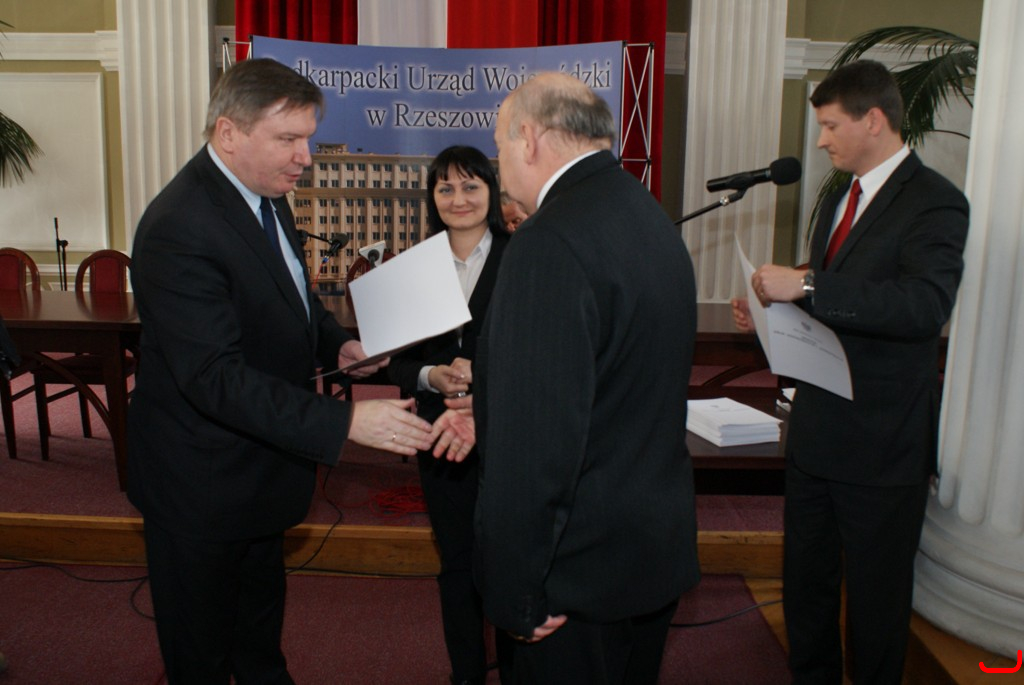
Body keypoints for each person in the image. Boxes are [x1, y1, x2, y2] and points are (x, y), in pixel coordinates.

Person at [127, 58, 434, 684]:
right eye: (288, 139)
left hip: (260, 471)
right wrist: (344, 422)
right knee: (202, 659)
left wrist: (336, 346)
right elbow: (213, 378)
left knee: (259, 643)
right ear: (229, 133)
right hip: (201, 484)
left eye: (309, 139)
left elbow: (291, 296)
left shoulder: (265, 196)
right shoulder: (179, 227)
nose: (305, 158)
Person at [436, 72, 700, 684]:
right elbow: (609, 377)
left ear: (529, 138)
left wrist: (515, 592)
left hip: (572, 579)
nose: (500, 165)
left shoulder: (547, 241)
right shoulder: (647, 215)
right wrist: (495, 406)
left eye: (499, 146)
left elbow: (538, 449)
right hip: (645, 553)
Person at [739, 60, 969, 683]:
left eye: (830, 125)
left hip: (881, 442)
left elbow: (924, 306)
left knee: (874, 605)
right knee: (806, 589)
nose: (820, 140)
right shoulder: (842, 198)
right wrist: (773, 310)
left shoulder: (936, 202)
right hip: (817, 432)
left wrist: (809, 284)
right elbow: (835, 301)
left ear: (873, 120)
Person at [387, 145, 512, 685]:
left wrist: (485, 371)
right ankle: (466, 673)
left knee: (509, 559)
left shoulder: (522, 257)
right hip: (440, 435)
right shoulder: (416, 266)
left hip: (507, 431)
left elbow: (545, 349)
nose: (458, 199)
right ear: (432, 198)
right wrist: (430, 376)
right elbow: (397, 362)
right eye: (445, 188)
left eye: (470, 186)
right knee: (456, 562)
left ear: (491, 191)